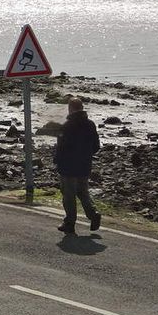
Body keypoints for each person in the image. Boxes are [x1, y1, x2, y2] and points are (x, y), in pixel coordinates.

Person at [54, 97, 102, 234]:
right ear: (82, 107)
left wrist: (57, 161)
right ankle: (94, 214)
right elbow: (96, 146)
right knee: (83, 192)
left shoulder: (67, 126)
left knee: (69, 196)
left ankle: (69, 223)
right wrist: (85, 155)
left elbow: (61, 147)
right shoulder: (90, 124)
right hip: (84, 165)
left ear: (70, 108)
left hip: (68, 167)